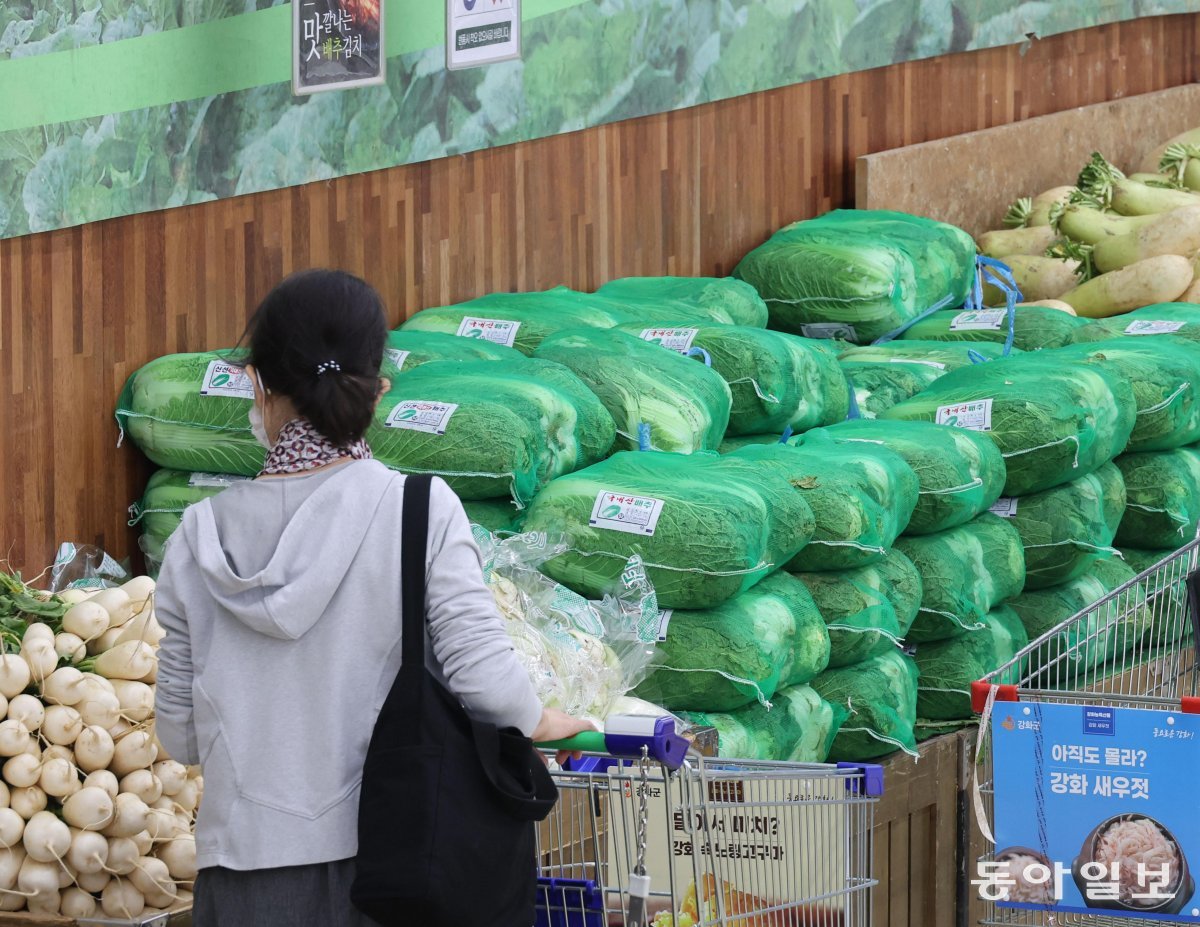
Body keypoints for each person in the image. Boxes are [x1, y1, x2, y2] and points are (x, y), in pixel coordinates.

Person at [154, 269, 591, 927]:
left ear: (258, 385)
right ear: (377, 388)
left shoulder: (197, 536)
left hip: (241, 877)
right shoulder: (418, 509)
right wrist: (544, 721)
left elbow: (180, 735)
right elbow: (492, 689)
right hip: (393, 868)